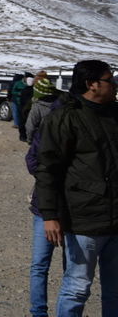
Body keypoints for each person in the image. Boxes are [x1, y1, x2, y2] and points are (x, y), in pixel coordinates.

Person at [35, 60, 118, 316]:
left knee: (115, 290)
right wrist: (49, 215)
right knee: (77, 288)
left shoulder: (115, 114)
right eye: (110, 81)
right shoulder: (65, 117)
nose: (114, 86)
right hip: (84, 220)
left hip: (116, 218)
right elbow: (48, 169)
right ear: (91, 84)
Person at [26, 91, 65, 317]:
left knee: (70, 269)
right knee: (41, 264)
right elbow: (32, 161)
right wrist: (48, 174)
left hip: (72, 208)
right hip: (45, 207)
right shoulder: (49, 127)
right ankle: (38, 312)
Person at [24, 71, 57, 143]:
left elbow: (30, 126)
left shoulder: (37, 106)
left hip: (42, 140)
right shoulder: (59, 102)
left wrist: (29, 140)